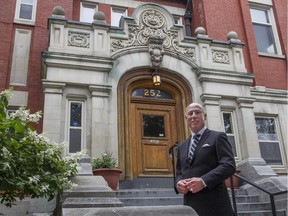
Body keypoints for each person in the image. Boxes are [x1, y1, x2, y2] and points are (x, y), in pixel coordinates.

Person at [175, 102, 236, 216]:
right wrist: (178, 183)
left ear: (205, 116)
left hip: (215, 204)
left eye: (198, 112)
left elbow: (229, 165)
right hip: (190, 205)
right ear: (186, 118)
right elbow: (179, 172)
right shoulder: (182, 147)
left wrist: (203, 181)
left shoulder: (217, 137)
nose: (194, 115)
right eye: (190, 113)